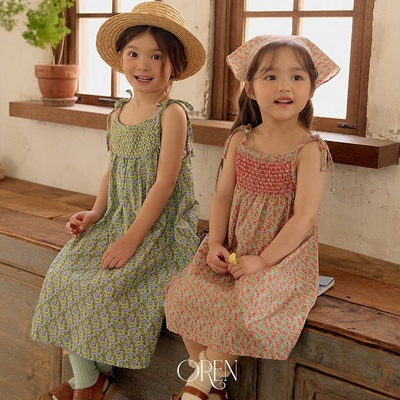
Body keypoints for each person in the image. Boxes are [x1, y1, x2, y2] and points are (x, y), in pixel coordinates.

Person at [31, 2, 206, 400]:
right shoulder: (118, 113)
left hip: (159, 228)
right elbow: (112, 170)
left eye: (156, 56)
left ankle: (89, 383)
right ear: (121, 58)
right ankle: (88, 380)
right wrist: (96, 212)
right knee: (64, 274)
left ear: (174, 64)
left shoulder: (172, 114)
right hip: (118, 217)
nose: (143, 65)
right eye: (133, 53)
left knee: (105, 287)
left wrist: (130, 239)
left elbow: (164, 184)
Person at [164, 34, 340, 400]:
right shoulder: (240, 140)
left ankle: (196, 388)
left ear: (311, 88)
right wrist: (215, 241)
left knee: (244, 308)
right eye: (271, 76)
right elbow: (223, 196)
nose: (284, 86)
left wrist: (263, 260)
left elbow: (303, 218)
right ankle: (213, 387)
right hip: (233, 245)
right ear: (251, 88)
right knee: (184, 294)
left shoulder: (309, 149)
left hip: (281, 257)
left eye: (296, 77)